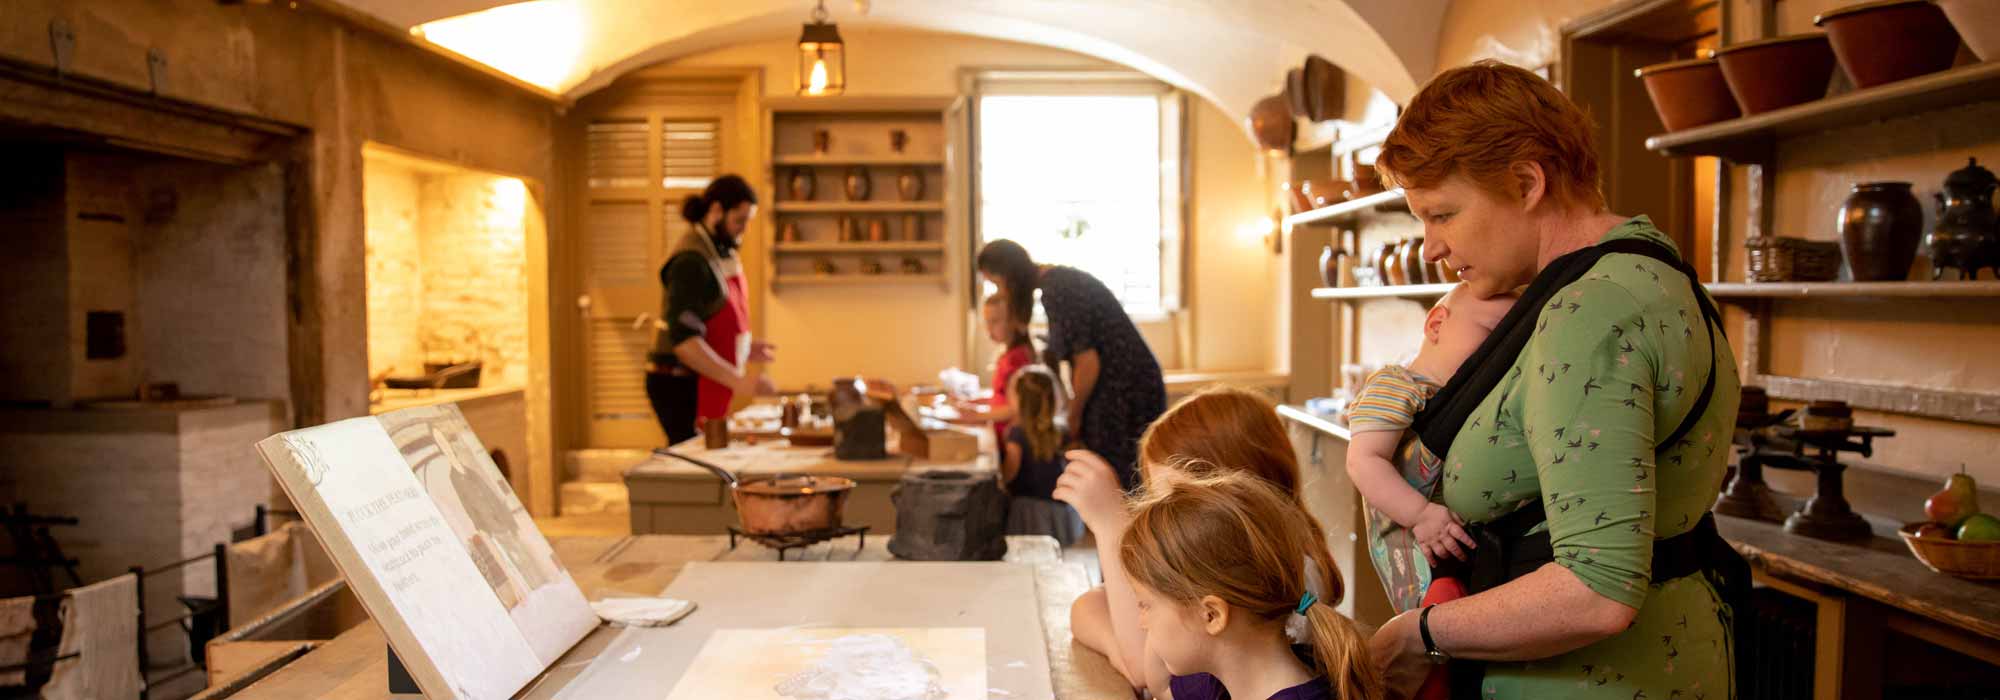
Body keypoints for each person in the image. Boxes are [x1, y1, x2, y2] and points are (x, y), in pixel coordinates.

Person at [1363, 60, 1743, 700]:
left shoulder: (1589, 313)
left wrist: (1415, 634)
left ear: (1527, 182)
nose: (1428, 246)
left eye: (1443, 214)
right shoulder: (1649, 266)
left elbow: (1595, 591)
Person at [1062, 387, 1316, 696]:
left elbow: (1147, 673)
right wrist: (1123, 647)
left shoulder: (1286, 583)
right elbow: (1086, 608)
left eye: (1174, 499)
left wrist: (1112, 527)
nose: (1160, 515)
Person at [1121, 470, 1383, 700]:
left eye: (1145, 605)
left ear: (1211, 615)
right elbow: (1160, 686)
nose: (1140, 622)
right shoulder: (1224, 679)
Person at [1345, 284, 1514, 612]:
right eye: (1489, 335)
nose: (1498, 354)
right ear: (1436, 324)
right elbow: (1363, 461)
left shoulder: (1468, 397)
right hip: (1416, 548)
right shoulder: (1398, 384)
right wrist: (1419, 514)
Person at [976, 239, 1167, 489]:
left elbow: (1087, 363)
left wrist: (1074, 415)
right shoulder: (1056, 284)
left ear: (1010, 276)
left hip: (1126, 389)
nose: (1001, 292)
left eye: (997, 283)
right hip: (1120, 385)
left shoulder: (1060, 290)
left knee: (1122, 479)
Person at [645, 175, 777, 445]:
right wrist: (739, 381)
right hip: (679, 385)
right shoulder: (690, 261)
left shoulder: (713, 251)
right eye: (739, 221)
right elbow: (685, 343)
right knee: (694, 467)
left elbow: (711, 319)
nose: (742, 230)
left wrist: (743, 348)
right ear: (716, 211)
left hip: (694, 381)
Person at [999, 365, 1085, 546]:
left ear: (1020, 400)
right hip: (1059, 507)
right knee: (1052, 550)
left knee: (1030, 551)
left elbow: (1011, 472)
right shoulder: (1061, 431)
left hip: (1030, 509)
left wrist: (999, 483)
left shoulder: (1017, 434)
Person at [950, 294, 1036, 446]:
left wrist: (977, 415)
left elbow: (1016, 408)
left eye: (995, 321)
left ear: (1013, 321)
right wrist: (972, 402)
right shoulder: (1008, 354)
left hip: (1010, 441)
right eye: (987, 322)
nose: (989, 328)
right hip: (998, 433)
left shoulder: (1017, 359)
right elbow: (1001, 396)